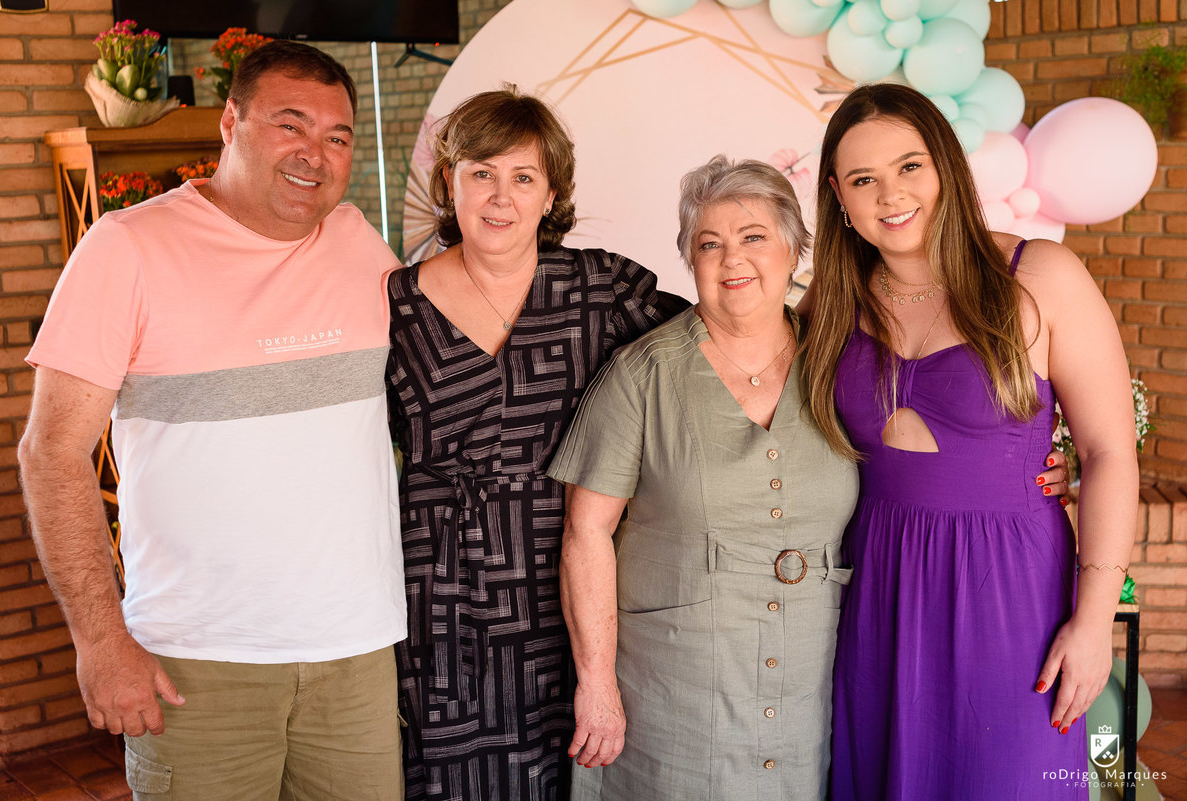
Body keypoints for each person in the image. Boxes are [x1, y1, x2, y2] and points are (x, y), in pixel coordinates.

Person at [19, 41, 406, 800]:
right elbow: (51, 453)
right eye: (290, 125)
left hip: (356, 656)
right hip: (196, 665)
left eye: (337, 136)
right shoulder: (127, 247)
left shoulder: (361, 245)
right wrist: (100, 640)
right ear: (231, 122)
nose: (315, 154)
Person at [800, 83, 1138, 800]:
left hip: (1011, 591)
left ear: (946, 166)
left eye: (909, 166)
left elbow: (1108, 451)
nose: (890, 194)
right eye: (863, 179)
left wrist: (1094, 621)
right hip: (879, 592)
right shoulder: (829, 302)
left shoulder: (1041, 276)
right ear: (838, 196)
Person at [386, 88, 687, 801]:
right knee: (452, 779)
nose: (501, 197)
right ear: (450, 182)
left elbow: (716, 345)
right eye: (481, 173)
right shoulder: (391, 305)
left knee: (571, 771)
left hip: (567, 584)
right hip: (438, 597)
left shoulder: (599, 288)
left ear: (551, 194)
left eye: (523, 177)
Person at [547, 155, 859, 801]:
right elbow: (585, 532)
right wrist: (596, 683)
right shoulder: (641, 374)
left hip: (814, 686)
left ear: (794, 248)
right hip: (674, 694)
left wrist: (1045, 467)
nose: (731, 258)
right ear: (691, 261)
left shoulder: (842, 362)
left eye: (753, 237)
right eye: (709, 243)